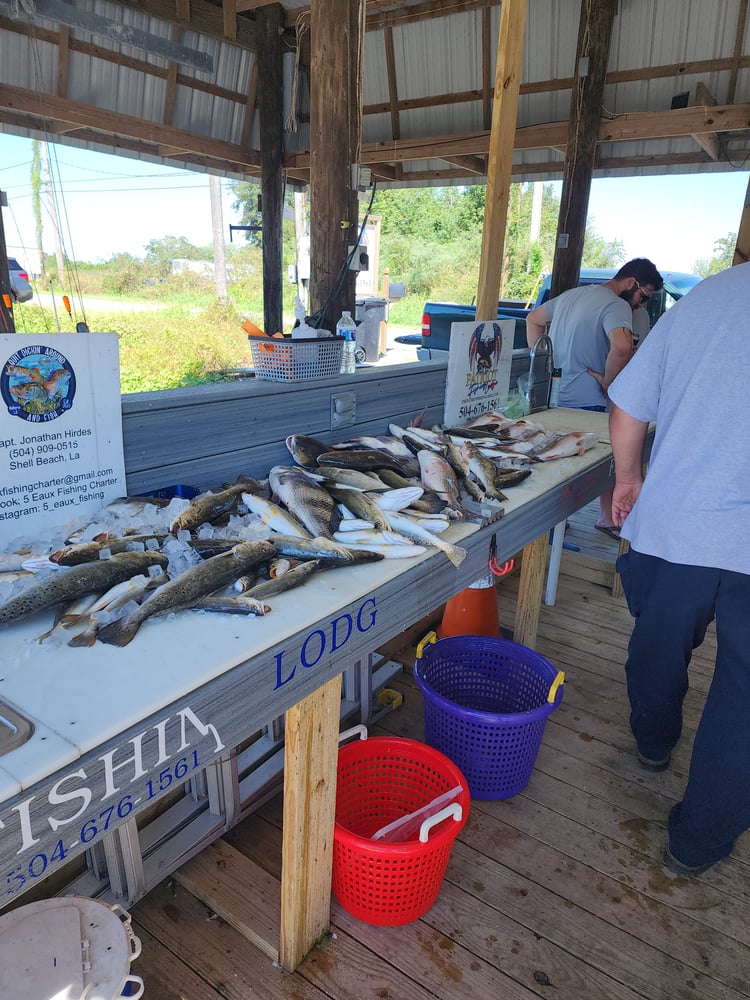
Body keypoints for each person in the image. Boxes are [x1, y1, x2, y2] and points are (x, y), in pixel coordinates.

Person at [607, 262, 750, 877]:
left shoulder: (709, 297)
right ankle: (699, 843)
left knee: (658, 643)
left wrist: (627, 477)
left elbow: (627, 406)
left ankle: (654, 743)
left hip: (678, 522)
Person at [526, 258, 663, 537]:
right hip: (590, 399)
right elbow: (622, 348)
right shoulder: (617, 304)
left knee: (553, 461)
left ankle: (551, 529)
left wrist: (542, 361)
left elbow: (533, 319)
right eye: (643, 296)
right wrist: (610, 383)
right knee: (602, 463)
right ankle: (597, 520)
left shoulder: (572, 294)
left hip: (557, 393)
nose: (640, 304)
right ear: (630, 283)